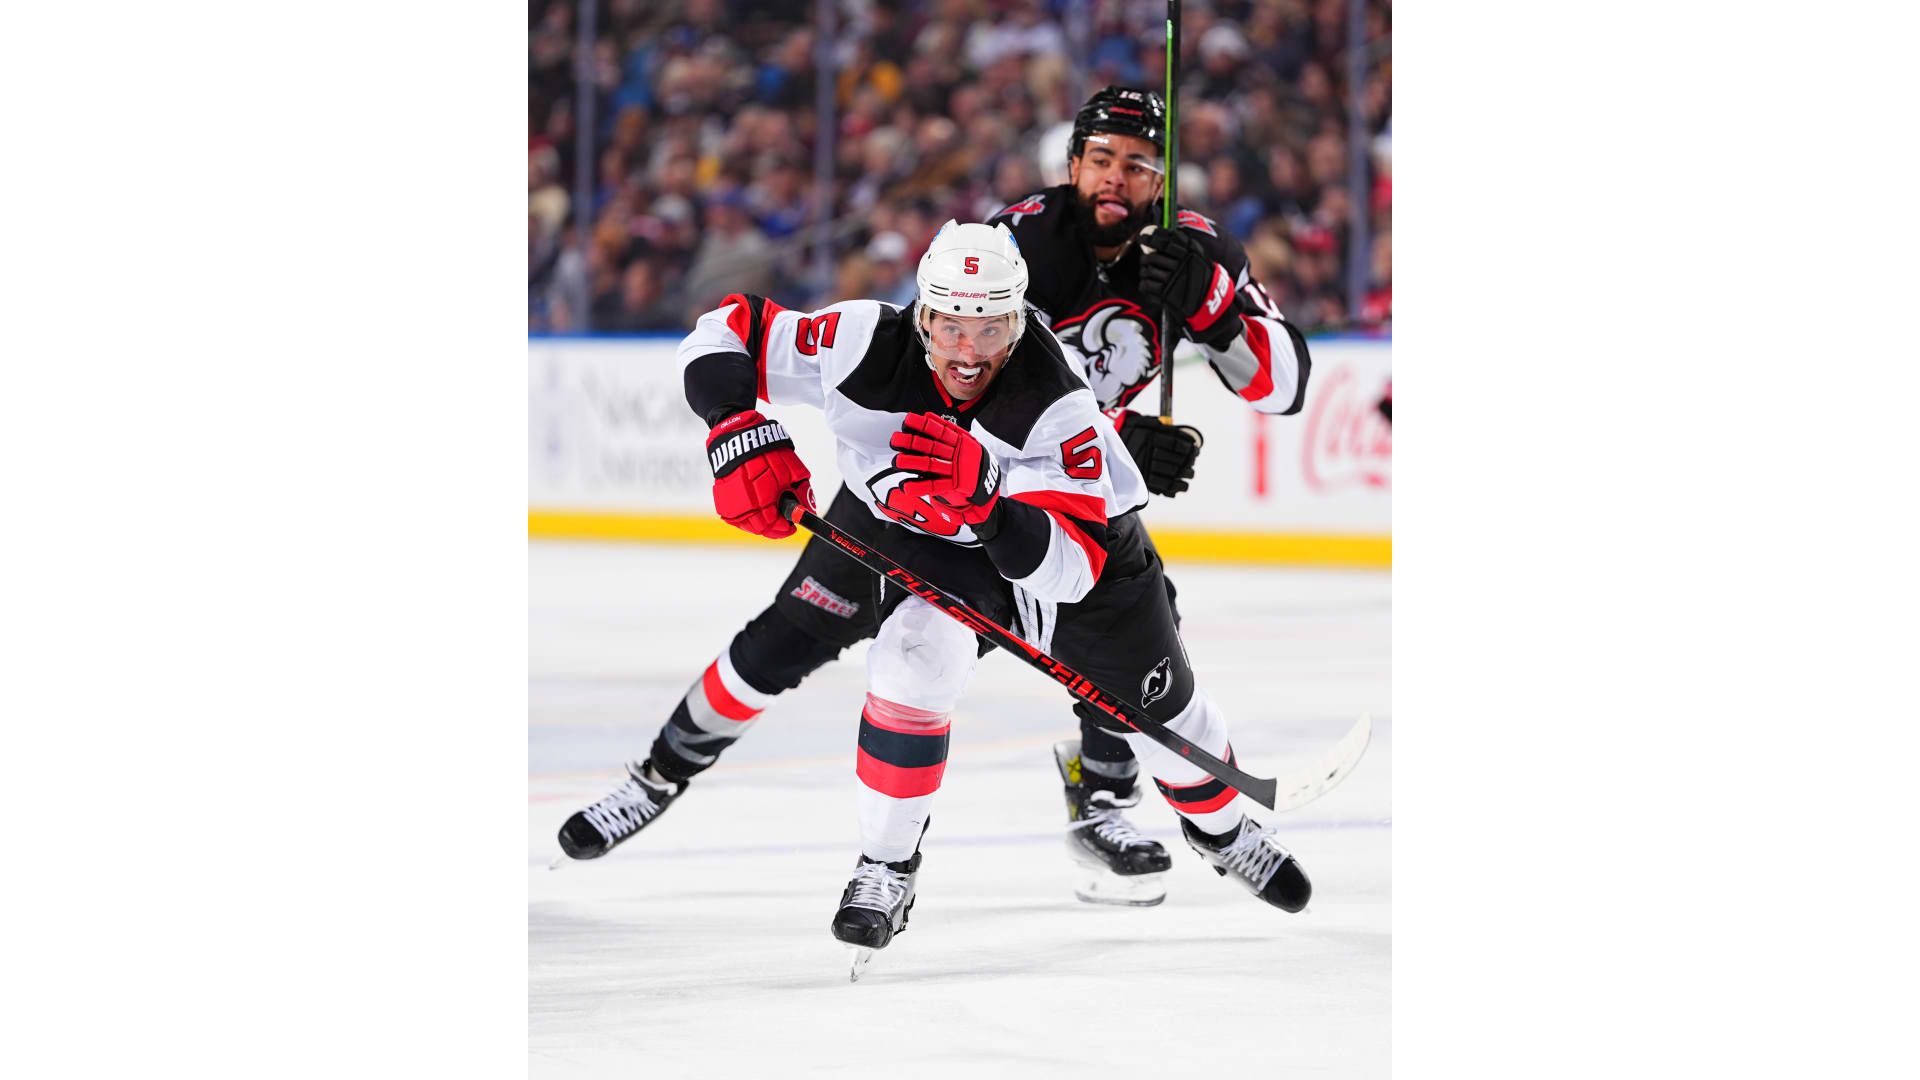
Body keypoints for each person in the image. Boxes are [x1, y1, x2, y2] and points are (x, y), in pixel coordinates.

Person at [557, 86, 1313, 909]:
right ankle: (659, 773)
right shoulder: (1016, 242)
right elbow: (949, 377)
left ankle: (1106, 799)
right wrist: (736, 426)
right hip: (919, 493)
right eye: (1101, 158)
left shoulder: (1194, 259)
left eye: (1138, 165)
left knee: (1134, 632)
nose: (1116, 178)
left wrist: (1215, 318)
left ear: (1164, 179)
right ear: (1071, 163)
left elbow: (1283, 389)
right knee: (786, 642)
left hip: (1044, 487)